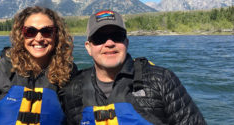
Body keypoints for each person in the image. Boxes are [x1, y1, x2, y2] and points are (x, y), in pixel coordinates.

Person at [60, 10, 206, 125]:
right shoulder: (73, 90)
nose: (109, 43)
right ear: (88, 47)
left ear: (126, 42)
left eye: (117, 36)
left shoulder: (161, 80)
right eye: (99, 38)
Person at [0, 6, 76, 125]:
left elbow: (76, 117)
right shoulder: (5, 67)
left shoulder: (68, 71)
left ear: (57, 35)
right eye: (30, 32)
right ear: (21, 35)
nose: (38, 38)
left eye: (46, 31)